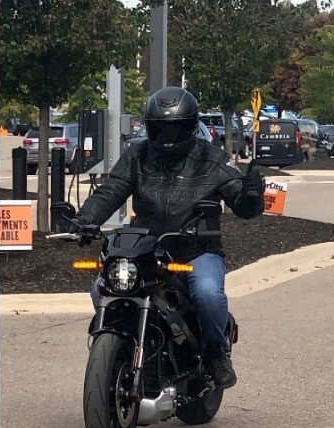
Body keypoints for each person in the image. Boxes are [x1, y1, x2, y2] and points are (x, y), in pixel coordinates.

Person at [72, 87, 265, 388]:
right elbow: (111, 190)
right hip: (146, 249)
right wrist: (85, 221)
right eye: (159, 128)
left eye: (175, 128)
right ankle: (115, 342)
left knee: (207, 292)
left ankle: (216, 353)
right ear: (149, 126)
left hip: (198, 251)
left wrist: (252, 195)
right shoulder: (137, 156)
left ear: (191, 126)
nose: (167, 136)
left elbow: (243, 206)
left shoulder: (212, 159)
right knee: (101, 288)